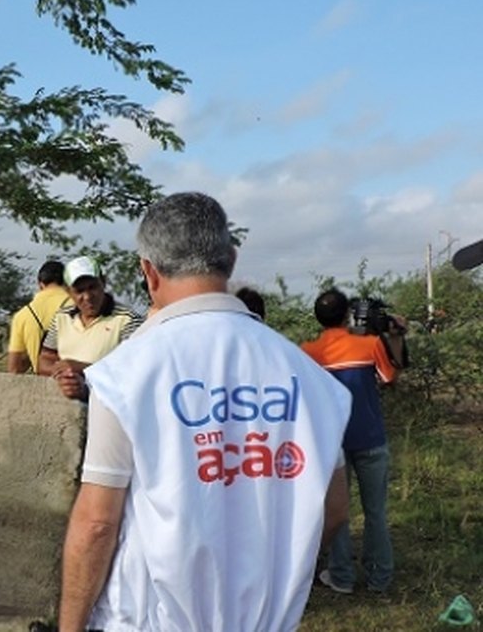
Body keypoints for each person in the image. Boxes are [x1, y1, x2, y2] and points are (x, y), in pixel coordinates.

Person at [58, 192, 353, 632]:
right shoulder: (310, 380)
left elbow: (98, 523)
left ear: (148, 272)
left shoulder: (126, 373)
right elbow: (333, 509)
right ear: (231, 260)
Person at [301, 288, 405, 595]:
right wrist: (397, 337)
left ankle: (342, 577)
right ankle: (379, 579)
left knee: (338, 512)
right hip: (371, 439)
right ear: (348, 314)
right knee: (376, 512)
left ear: (318, 318)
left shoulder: (307, 351)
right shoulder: (370, 344)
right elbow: (390, 379)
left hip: (332, 445)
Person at [37, 256, 142, 401]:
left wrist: (81, 369)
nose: (87, 297)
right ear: (69, 292)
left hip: (110, 408)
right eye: (79, 291)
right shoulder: (62, 317)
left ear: (103, 283)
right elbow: (45, 359)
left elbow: (134, 371)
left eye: (92, 287)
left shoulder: (127, 320)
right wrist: (64, 373)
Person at [7, 260, 72, 374]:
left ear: (40, 284)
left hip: (43, 385)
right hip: (77, 382)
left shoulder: (23, 315)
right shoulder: (79, 306)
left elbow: (14, 368)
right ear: (67, 281)